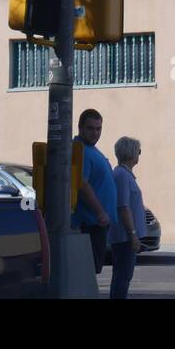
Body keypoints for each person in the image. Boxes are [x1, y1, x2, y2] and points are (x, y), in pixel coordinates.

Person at [73, 109, 117, 275]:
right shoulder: (80, 150)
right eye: (90, 128)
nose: (95, 133)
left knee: (91, 271)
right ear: (80, 128)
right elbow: (82, 184)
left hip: (98, 223)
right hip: (90, 222)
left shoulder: (91, 149)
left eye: (98, 129)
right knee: (87, 271)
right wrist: (100, 212)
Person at [109, 136, 146, 300]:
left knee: (122, 275)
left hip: (126, 235)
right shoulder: (122, 175)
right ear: (131, 153)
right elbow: (123, 207)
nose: (139, 154)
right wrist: (133, 235)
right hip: (124, 236)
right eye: (138, 151)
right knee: (123, 276)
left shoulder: (125, 174)